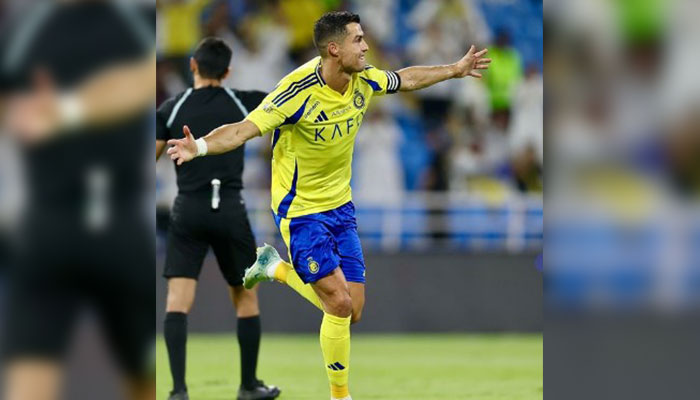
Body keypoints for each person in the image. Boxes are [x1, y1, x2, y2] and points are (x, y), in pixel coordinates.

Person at [166, 11, 490, 400]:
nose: (367, 46)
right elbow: (242, 130)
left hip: (340, 207)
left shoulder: (364, 78)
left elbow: (407, 78)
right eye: (358, 40)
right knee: (337, 302)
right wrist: (199, 146)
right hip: (299, 211)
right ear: (334, 49)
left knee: (353, 311)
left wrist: (454, 70)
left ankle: (276, 268)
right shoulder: (296, 91)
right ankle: (341, 397)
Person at [0, 1, 155, 399]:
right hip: (52, 222)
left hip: (115, 224)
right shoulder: (30, 26)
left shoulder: (131, 19)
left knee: (145, 374)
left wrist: (64, 110)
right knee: (30, 370)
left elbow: (139, 81)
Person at [155, 37, 280, 400]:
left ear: (193, 64)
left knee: (177, 301)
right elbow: (285, 111)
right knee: (246, 299)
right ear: (227, 71)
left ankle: (178, 391)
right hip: (229, 208)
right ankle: (249, 385)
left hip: (188, 209)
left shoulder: (172, 108)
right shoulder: (244, 101)